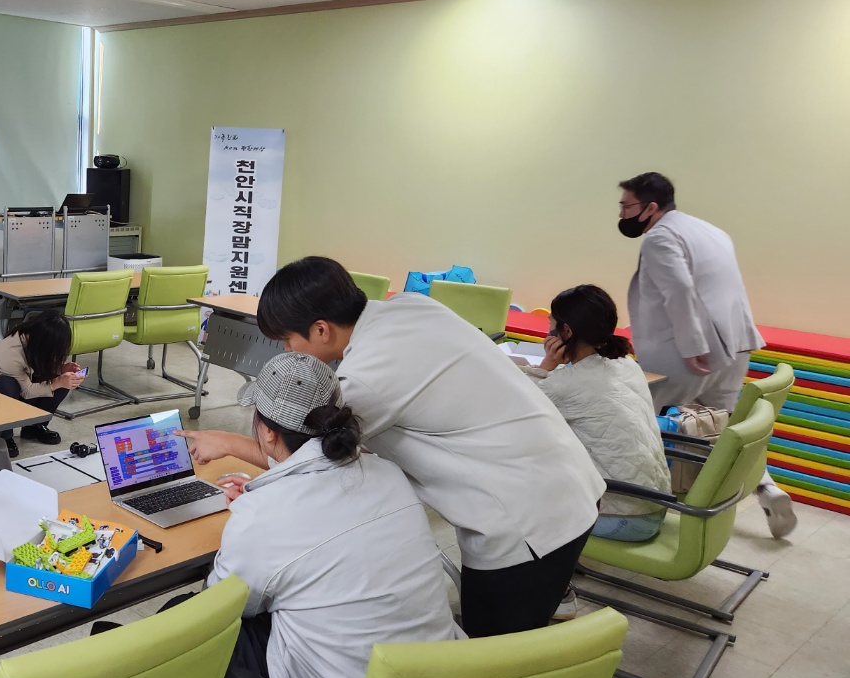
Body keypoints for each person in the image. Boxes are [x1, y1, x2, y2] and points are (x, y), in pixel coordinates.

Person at [182, 256, 603, 638]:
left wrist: (230, 443)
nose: (288, 351)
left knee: (492, 655)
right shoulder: (409, 307)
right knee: (504, 635)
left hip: (527, 520)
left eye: (287, 340)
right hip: (566, 477)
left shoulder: (364, 382)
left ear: (321, 329)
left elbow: (307, 461)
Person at [204, 352, 463, 678]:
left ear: (266, 432)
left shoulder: (265, 514)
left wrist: (255, 516)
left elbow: (220, 606)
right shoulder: (387, 474)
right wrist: (264, 501)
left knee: (203, 641)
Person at [618, 172, 794, 537]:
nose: (621, 213)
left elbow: (679, 290)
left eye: (626, 205)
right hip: (734, 346)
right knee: (724, 431)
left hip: (687, 354)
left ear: (650, 207)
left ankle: (629, 504)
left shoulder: (661, 237)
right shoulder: (711, 231)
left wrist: (693, 345)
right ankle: (767, 488)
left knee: (635, 417)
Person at [522, 285, 671, 543]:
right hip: (652, 505)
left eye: (551, 324)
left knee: (515, 498)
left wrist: (547, 365)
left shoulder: (568, 384)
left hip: (621, 517)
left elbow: (521, 409)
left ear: (566, 332)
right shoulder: (626, 363)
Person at [0, 310, 84, 458]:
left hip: (18, 390)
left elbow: (37, 367)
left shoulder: (33, 341)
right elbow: (27, 391)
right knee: (7, 384)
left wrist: (61, 369)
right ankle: (2, 435)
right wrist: (57, 382)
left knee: (62, 381)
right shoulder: (10, 354)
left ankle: (34, 427)